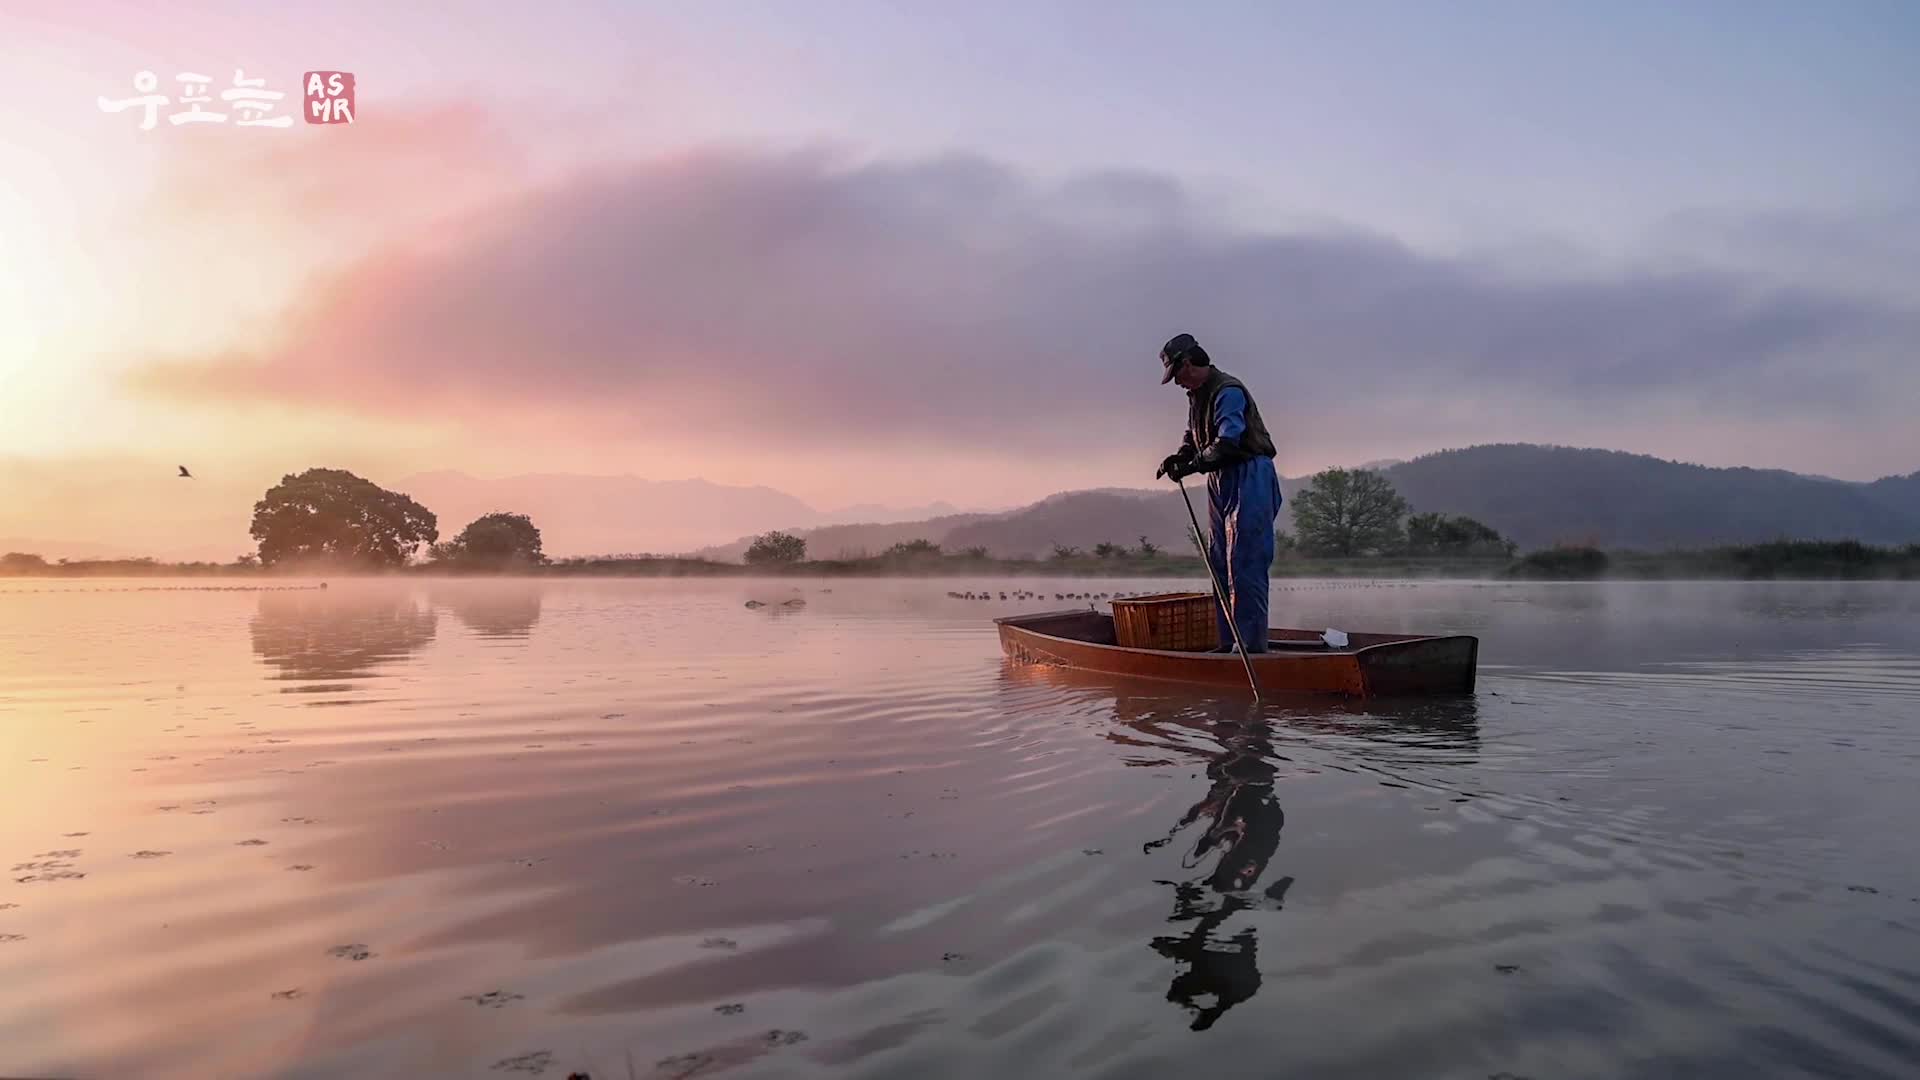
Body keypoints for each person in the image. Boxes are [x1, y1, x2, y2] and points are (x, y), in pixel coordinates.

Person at [1153, 332, 1282, 653]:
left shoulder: (1228, 391)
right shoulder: (1196, 395)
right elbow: (1192, 435)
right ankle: (1229, 643)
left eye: (1177, 374)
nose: (1178, 383)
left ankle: (1250, 647)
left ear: (1190, 363)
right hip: (1219, 479)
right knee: (1219, 563)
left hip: (1249, 473)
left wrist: (1192, 465)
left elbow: (1227, 442)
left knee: (1244, 561)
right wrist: (1180, 457)